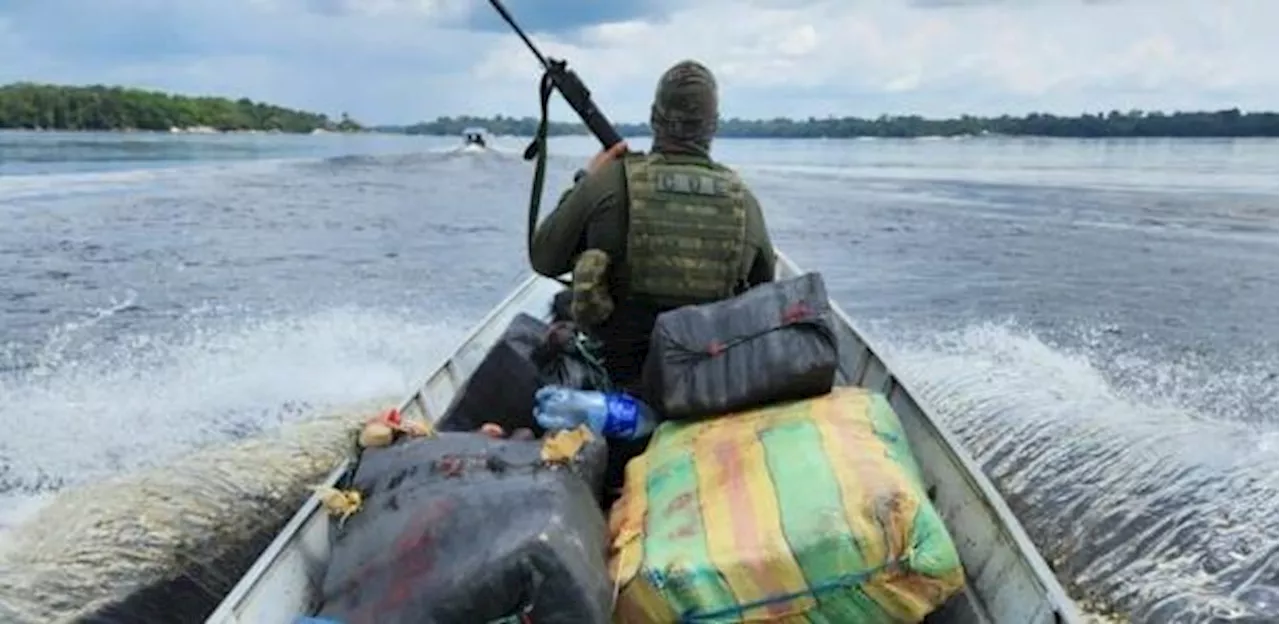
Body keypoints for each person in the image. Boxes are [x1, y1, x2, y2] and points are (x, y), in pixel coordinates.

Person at [530, 59, 776, 395]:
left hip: (617, 380)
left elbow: (544, 258)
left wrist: (587, 180)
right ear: (713, 126)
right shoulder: (744, 202)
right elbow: (763, 297)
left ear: (652, 117)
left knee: (557, 312)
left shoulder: (609, 182)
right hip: (707, 385)